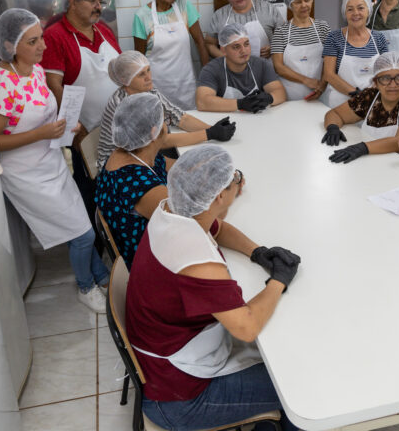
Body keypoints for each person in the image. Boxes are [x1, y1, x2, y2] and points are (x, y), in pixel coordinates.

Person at [126, 145, 301, 431]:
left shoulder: (172, 211)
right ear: (220, 196)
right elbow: (246, 327)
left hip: (165, 361)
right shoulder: (195, 260)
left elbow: (216, 227)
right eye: (236, 180)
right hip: (180, 399)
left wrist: (257, 252)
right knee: (294, 388)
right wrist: (278, 281)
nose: (239, 185)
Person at [0, 8, 108, 313]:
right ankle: (85, 286)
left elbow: (46, 115)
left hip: (51, 162)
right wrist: (42, 133)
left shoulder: (36, 71)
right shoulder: (0, 85)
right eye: (33, 42)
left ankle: (101, 275)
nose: (43, 46)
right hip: (25, 174)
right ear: (10, 46)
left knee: (76, 225)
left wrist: (67, 126)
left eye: (41, 38)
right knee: (83, 233)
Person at [41, 0, 122, 239]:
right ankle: (95, 248)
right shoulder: (55, 36)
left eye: (101, 1)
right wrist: (76, 133)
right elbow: (54, 87)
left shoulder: (104, 30)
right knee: (91, 192)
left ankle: (119, 237)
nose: (99, 6)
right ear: (73, 3)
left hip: (119, 130)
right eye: (92, 1)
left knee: (119, 188)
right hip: (85, 132)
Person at [96, 51, 236, 170]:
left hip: (144, 152)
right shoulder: (122, 105)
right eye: (141, 75)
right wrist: (209, 134)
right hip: (118, 164)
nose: (148, 77)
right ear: (126, 80)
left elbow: (180, 118)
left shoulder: (150, 92)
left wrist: (215, 129)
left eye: (148, 70)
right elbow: (161, 141)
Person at [321, 53, 399, 179]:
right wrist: (332, 127)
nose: (393, 85)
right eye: (385, 78)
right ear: (375, 82)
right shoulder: (370, 96)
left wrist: (362, 148)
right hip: (378, 165)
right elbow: (335, 113)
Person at [95, 93, 174, 268]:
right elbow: (192, 222)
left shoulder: (130, 152)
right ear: (154, 132)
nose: (167, 125)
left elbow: (175, 166)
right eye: (165, 120)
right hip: (153, 263)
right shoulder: (141, 185)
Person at [132, 0, 209, 110]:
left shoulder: (183, 5)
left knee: (190, 121)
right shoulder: (142, 16)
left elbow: (200, 42)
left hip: (186, 84)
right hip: (157, 85)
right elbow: (139, 59)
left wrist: (207, 78)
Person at [196, 23, 287, 113]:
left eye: (246, 44)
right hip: (227, 123)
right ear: (223, 50)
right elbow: (202, 102)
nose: (243, 51)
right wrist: (240, 104)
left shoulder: (262, 65)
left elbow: (280, 92)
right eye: (236, 47)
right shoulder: (211, 70)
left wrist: (269, 98)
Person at [321, 0, 389, 108]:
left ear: (368, 10)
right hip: (341, 104)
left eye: (360, 8)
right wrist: (356, 94)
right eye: (350, 9)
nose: (355, 13)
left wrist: (369, 96)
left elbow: (385, 72)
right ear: (345, 13)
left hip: (372, 103)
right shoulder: (334, 38)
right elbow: (329, 74)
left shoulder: (379, 38)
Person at [204, 0, 286, 59]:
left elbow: (285, 36)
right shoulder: (219, 15)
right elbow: (209, 43)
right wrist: (225, 58)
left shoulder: (268, 9)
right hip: (231, 70)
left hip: (265, 68)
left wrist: (273, 49)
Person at [271, 0, 331, 101]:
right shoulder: (281, 32)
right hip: (290, 96)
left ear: (312, 0)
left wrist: (322, 85)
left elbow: (329, 62)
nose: (304, 5)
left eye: (307, 0)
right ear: (290, 5)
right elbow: (278, 67)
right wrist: (306, 80)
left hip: (321, 94)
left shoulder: (323, 27)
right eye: (298, 2)